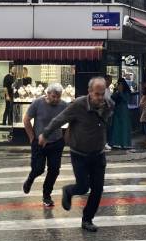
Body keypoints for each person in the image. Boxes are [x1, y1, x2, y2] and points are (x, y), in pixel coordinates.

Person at [41, 76, 113, 232]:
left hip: (98, 153)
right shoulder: (78, 105)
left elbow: (105, 121)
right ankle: (69, 191)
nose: (100, 97)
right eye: (97, 94)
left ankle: (87, 219)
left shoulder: (109, 104)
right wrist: (45, 134)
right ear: (89, 92)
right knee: (83, 186)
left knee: (97, 189)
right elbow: (59, 120)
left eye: (102, 94)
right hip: (79, 153)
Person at [22, 83, 69, 207]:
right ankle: (30, 179)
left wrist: (66, 137)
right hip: (39, 143)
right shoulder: (37, 103)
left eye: (58, 97)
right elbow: (26, 119)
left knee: (54, 170)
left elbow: (73, 120)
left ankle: (46, 195)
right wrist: (32, 138)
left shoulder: (64, 105)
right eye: (54, 96)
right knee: (38, 169)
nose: (56, 99)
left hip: (56, 142)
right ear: (47, 94)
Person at [110, 78, 132, 149]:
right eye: (118, 84)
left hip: (124, 111)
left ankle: (124, 143)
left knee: (124, 127)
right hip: (117, 110)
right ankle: (116, 142)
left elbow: (126, 99)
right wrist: (116, 92)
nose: (119, 86)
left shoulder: (127, 92)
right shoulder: (117, 91)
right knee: (116, 126)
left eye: (120, 84)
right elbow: (112, 97)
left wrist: (121, 92)